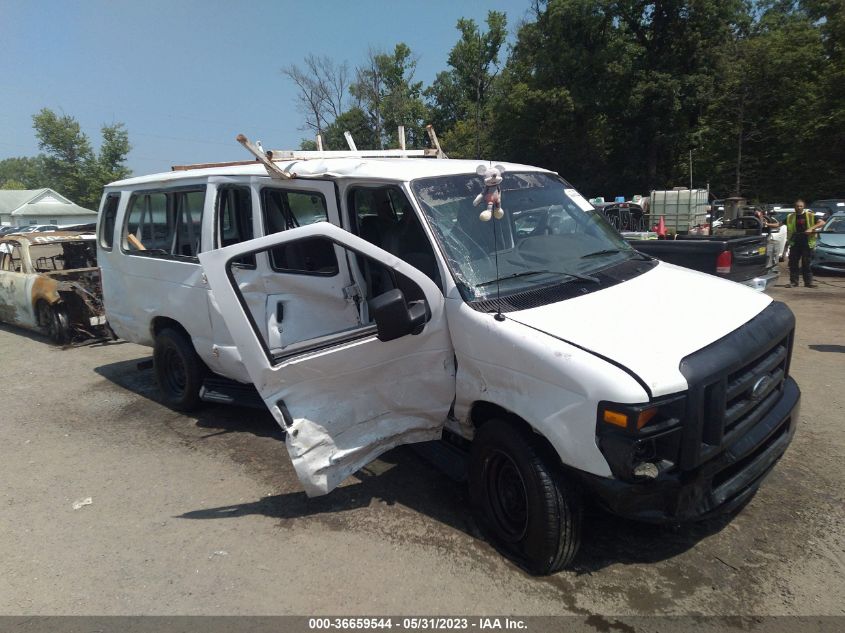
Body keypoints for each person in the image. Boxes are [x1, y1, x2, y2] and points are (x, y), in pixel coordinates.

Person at [785, 199, 825, 287]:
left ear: (804, 207)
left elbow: (822, 222)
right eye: (797, 206)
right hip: (795, 242)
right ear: (794, 207)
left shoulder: (810, 215)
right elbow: (778, 224)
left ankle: (808, 283)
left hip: (807, 242)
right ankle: (794, 282)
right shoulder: (790, 217)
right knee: (793, 263)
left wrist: (811, 228)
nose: (799, 208)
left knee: (806, 263)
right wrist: (767, 224)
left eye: (801, 206)